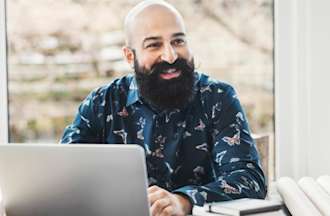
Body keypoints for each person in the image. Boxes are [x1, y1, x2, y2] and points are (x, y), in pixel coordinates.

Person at [61, 0, 267, 215]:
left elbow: (249, 179)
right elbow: (64, 174)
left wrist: (184, 201)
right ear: (130, 56)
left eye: (178, 41)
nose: (170, 56)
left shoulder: (218, 98)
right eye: (153, 45)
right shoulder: (102, 102)